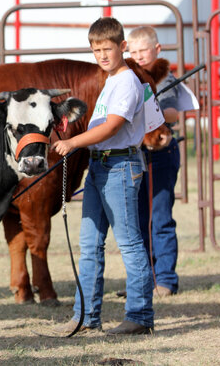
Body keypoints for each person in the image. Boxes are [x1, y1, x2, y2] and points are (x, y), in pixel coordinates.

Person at [52, 17, 155, 336]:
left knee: (129, 242)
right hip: (101, 166)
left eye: (107, 49)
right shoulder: (112, 80)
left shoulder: (125, 81)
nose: (102, 56)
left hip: (120, 166)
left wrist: (71, 143)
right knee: (90, 243)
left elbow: (111, 126)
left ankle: (139, 315)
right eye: (96, 50)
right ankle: (85, 315)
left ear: (122, 47)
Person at [127, 26, 191, 297]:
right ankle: (144, 278)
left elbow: (174, 114)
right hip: (135, 153)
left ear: (157, 50)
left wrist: (155, 112)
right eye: (133, 51)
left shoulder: (164, 79)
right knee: (139, 218)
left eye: (144, 50)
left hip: (159, 154)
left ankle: (164, 278)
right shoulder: (128, 78)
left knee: (160, 216)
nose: (139, 56)